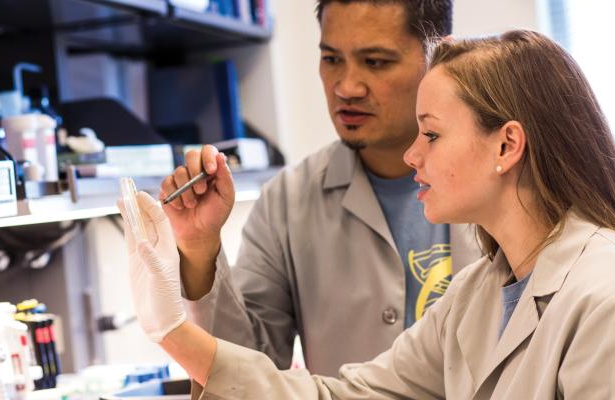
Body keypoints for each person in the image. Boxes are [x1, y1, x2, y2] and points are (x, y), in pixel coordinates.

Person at [121, 29, 615, 398]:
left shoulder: (603, 295)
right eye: (332, 58)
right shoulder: (476, 296)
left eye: (432, 134)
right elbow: (343, 397)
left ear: (507, 144)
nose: (412, 156)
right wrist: (173, 333)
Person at [156, 0, 480, 377]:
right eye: (331, 59)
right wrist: (198, 250)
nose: (347, 87)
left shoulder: (505, 179)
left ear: (440, 56)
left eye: (375, 62)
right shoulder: (287, 201)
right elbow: (246, 372)